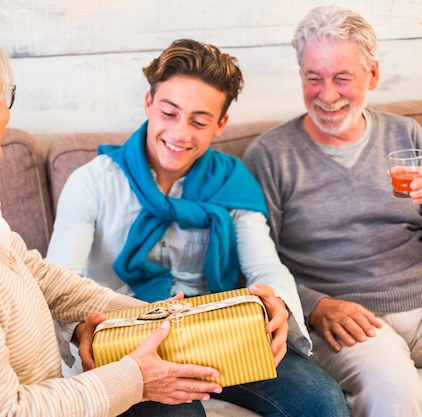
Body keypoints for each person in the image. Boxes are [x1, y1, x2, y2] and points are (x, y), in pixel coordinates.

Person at [0, 22, 229, 417]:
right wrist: (135, 378)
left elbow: (35, 273)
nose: (8, 114)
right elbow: (4, 413)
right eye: (5, 96)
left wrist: (145, 314)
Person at [47, 38, 349, 417]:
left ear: (221, 124)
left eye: (200, 121)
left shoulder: (233, 181)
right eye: (169, 113)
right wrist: (78, 329)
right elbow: (60, 280)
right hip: (128, 341)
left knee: (320, 400)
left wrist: (280, 307)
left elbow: (265, 266)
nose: (180, 134)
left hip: (217, 331)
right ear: (148, 104)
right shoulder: (91, 183)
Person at [243, 5, 422, 417]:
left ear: (373, 76)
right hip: (347, 319)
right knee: (392, 388)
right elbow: (254, 263)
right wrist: (314, 305)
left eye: (342, 78)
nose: (327, 95)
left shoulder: (406, 135)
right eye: (314, 78)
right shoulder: (272, 155)